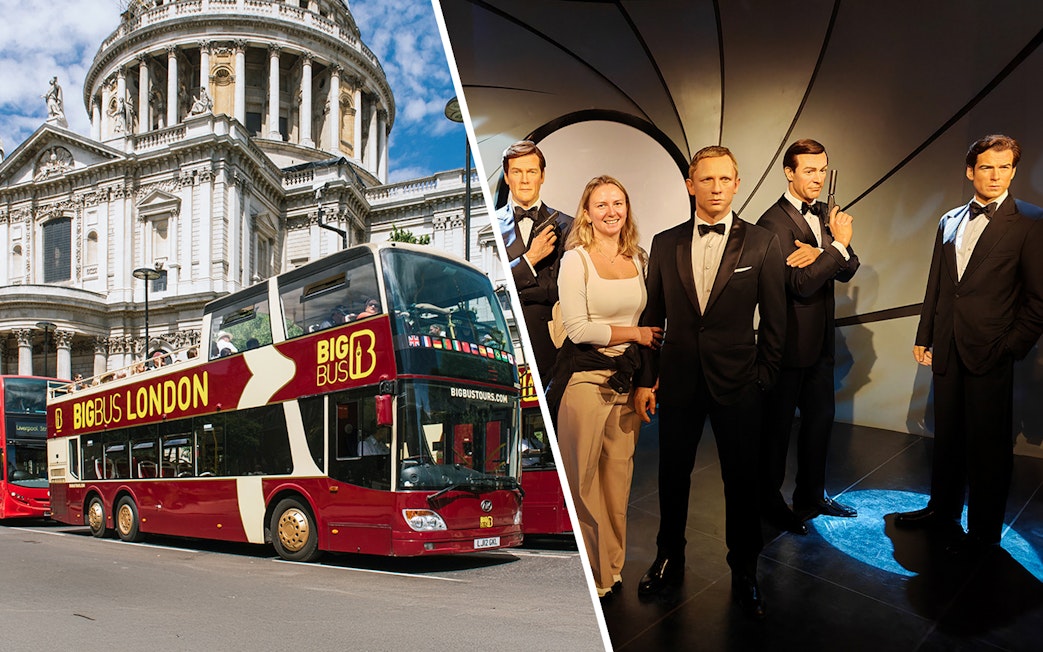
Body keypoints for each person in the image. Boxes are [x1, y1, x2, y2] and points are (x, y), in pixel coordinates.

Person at [633, 146, 785, 618]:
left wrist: (763, 378)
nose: (716, 188)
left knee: (742, 481)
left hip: (739, 382)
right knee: (671, 476)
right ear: (690, 184)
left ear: (736, 184)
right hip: (678, 381)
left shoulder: (762, 242)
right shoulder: (664, 242)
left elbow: (776, 321)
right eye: (707, 179)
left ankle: (744, 568)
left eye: (725, 180)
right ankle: (668, 558)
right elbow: (651, 317)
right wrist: (646, 380)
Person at [897, 135, 1043, 554]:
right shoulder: (949, 219)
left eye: (1003, 167)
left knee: (989, 446)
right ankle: (940, 511)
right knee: (947, 439)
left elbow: (1039, 299)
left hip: (993, 350)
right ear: (970, 171)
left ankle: (983, 528)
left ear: (1013, 171)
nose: (995, 176)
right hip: (948, 346)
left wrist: (1012, 346)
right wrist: (925, 336)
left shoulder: (1031, 221)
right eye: (986, 167)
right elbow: (939, 287)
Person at [550, 175, 662, 601]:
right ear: (588, 213)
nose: (611, 211)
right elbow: (578, 329)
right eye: (602, 205)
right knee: (582, 482)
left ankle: (609, 571)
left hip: (627, 380)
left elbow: (655, 327)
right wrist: (634, 334)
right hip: (585, 380)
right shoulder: (575, 260)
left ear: (626, 209)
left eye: (618, 203)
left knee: (618, 482)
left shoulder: (640, 259)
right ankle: (590, 569)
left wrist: (647, 380)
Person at [755, 139, 860, 535]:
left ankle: (811, 496)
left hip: (820, 344)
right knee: (777, 433)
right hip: (785, 345)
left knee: (820, 422)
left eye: (823, 170)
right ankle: (768, 503)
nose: (818, 178)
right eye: (810, 170)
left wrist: (827, 251)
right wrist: (834, 249)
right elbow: (799, 283)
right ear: (789, 172)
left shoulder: (826, 214)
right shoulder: (772, 223)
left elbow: (850, 266)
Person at [497, 140, 573, 384]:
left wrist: (520, 282)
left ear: (542, 176)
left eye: (531, 172)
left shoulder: (567, 225)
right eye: (517, 172)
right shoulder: (493, 223)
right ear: (507, 177)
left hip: (554, 344)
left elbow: (564, 290)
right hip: (507, 336)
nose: (525, 180)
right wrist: (530, 259)